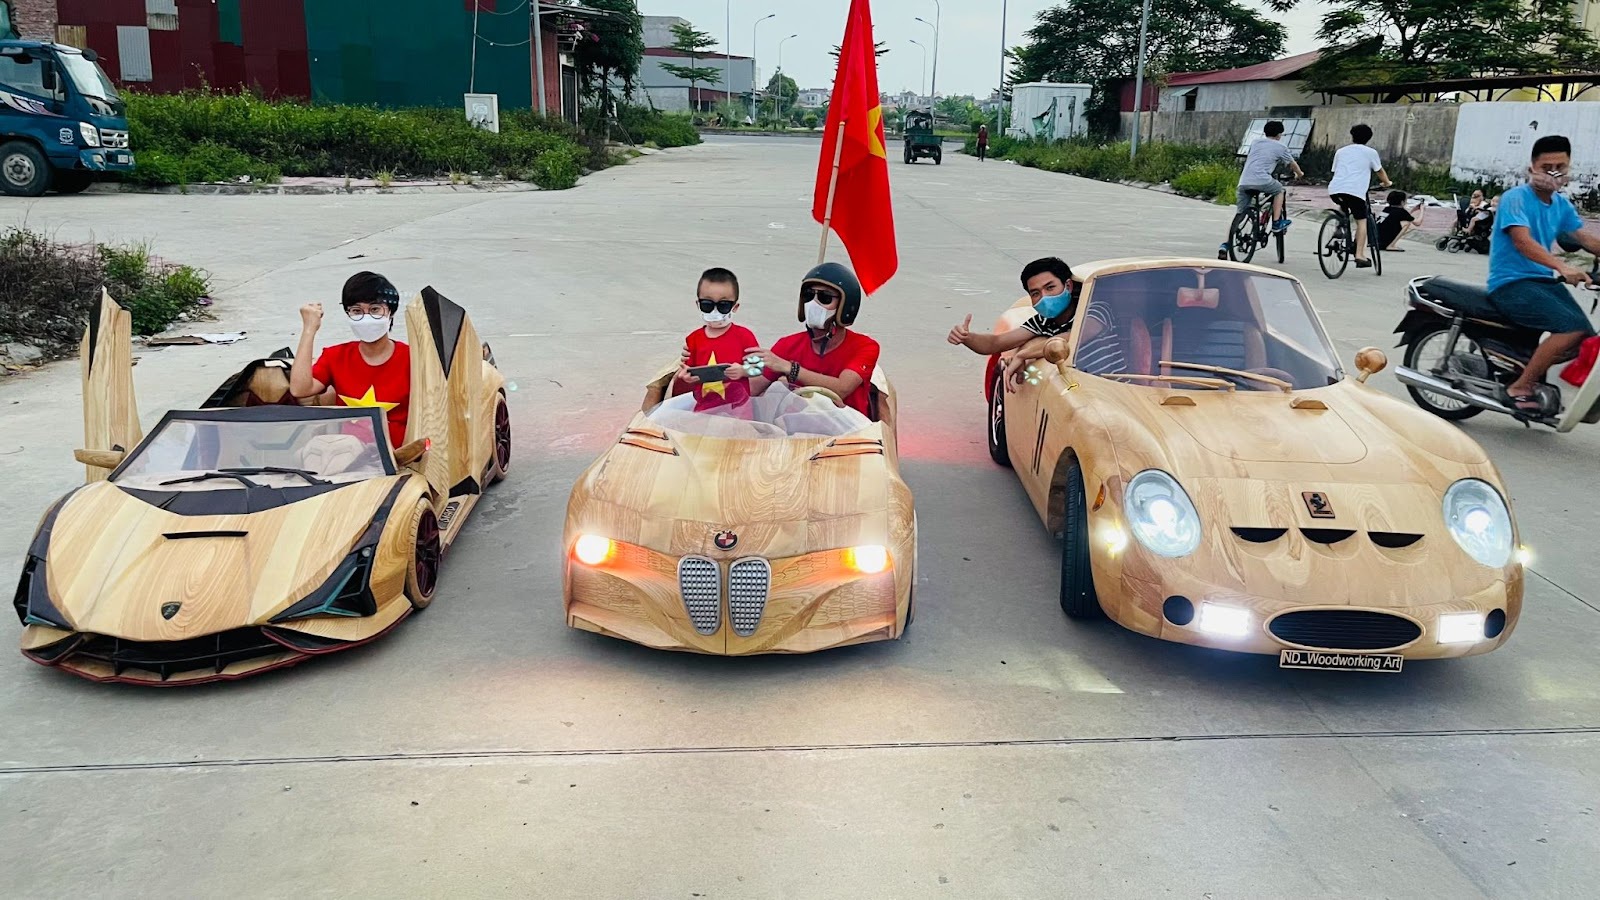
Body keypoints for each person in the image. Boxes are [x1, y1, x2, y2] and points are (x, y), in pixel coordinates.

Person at [1488, 134, 1600, 413]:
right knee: (1570, 328)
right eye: (1546, 166)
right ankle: (1521, 386)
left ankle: (1529, 372)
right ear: (1532, 168)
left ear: (1568, 169)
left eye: (1559, 167)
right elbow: (1522, 241)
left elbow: (1584, 238)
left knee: (1585, 338)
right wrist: (1562, 266)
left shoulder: (1561, 205)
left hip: (1541, 282)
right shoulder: (1515, 198)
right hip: (1511, 283)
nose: (1553, 172)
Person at [948, 257, 1142, 391]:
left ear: (1067, 286)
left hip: (1113, 388)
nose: (1044, 297)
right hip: (1076, 389)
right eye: (1036, 293)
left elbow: (1071, 338)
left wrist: (1023, 353)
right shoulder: (1043, 321)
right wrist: (967, 338)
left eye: (1050, 287)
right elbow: (995, 343)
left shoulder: (1096, 309)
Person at [289, 272, 410, 448]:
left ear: (390, 312)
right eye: (357, 311)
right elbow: (300, 389)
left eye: (375, 309)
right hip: (345, 452)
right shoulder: (336, 356)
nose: (366, 317)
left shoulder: (412, 358)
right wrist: (309, 329)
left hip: (398, 456)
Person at [746, 262, 881, 419]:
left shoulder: (865, 346)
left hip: (851, 434)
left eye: (824, 297)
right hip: (798, 431)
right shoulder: (787, 345)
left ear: (845, 306)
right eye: (809, 296)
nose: (813, 303)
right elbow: (751, 389)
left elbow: (842, 389)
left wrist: (790, 369)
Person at [674, 267, 759, 412]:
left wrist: (744, 371)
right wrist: (686, 377)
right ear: (698, 305)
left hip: (738, 410)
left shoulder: (744, 336)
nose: (715, 311)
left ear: (735, 307)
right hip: (703, 409)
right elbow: (688, 370)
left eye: (723, 305)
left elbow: (760, 366)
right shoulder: (693, 339)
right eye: (707, 305)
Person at [1220, 120, 1303, 258]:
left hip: (1244, 181)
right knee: (1279, 190)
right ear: (1279, 134)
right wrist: (1299, 174)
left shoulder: (1255, 143)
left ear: (1265, 132)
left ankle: (1225, 244)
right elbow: (1292, 164)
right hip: (1262, 180)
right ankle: (1276, 223)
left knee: (1240, 214)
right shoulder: (1280, 147)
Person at [1328, 124, 1392, 268]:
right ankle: (1359, 255)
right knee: (1361, 222)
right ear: (1369, 138)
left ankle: (1339, 227)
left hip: (1335, 189)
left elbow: (1335, 170)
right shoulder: (1370, 152)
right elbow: (1380, 171)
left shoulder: (1341, 151)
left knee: (1343, 205)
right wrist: (1386, 183)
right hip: (1356, 191)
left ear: (1352, 136)